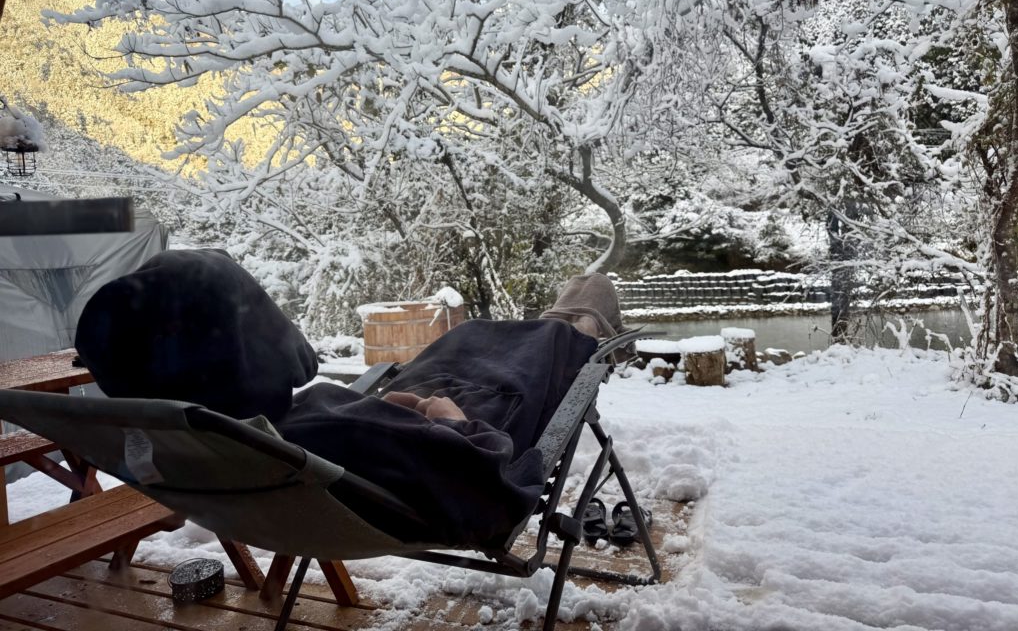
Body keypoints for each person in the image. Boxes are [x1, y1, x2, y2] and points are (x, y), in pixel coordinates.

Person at [75, 251, 627, 546]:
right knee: (561, 327)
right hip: (474, 415)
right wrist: (449, 420)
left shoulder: (203, 436)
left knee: (472, 336)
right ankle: (575, 331)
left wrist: (397, 409)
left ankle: (561, 326)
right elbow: (495, 488)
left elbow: (373, 430)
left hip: (396, 421)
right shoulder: (321, 434)